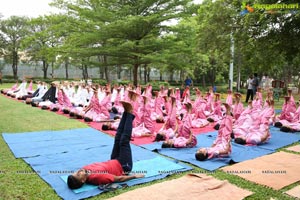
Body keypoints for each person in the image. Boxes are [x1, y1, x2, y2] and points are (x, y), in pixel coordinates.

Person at [67, 101, 145, 189]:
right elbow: (118, 179)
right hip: (124, 166)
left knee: (118, 137)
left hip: (113, 160)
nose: (79, 170)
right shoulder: (96, 178)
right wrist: (134, 176)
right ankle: (130, 112)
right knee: (124, 141)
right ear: (83, 180)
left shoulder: (84, 169)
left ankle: (126, 112)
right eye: (78, 174)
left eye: (76, 171)